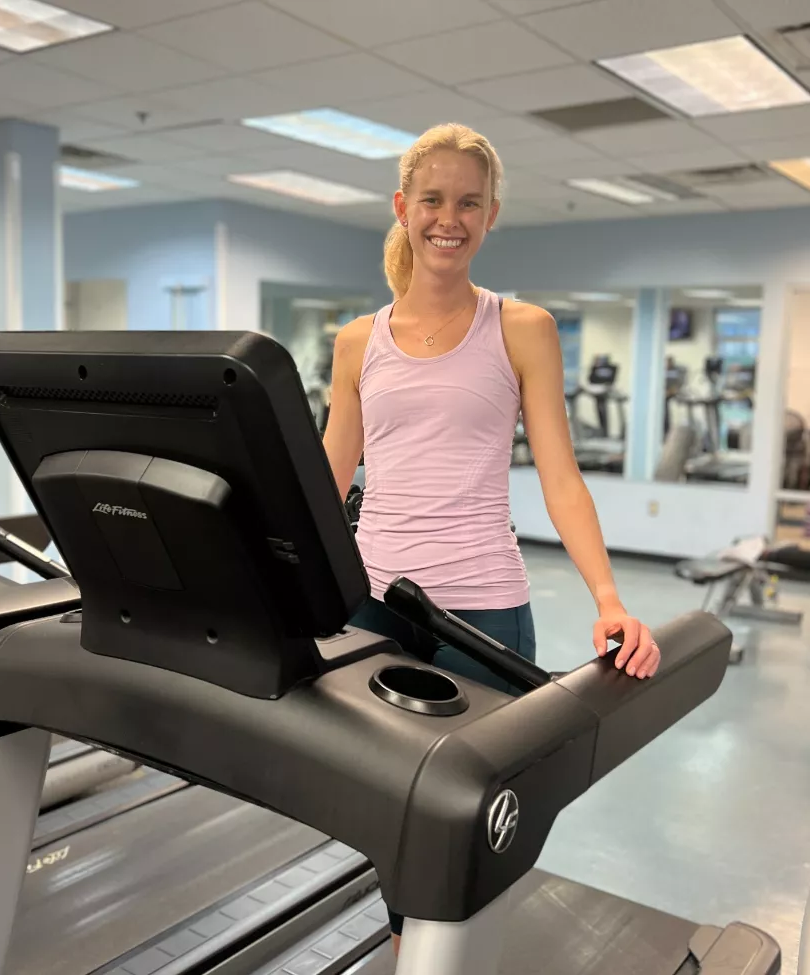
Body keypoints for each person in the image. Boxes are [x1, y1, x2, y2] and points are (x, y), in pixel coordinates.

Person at [321, 122, 660, 954]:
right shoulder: (358, 341)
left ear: (491, 215)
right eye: (431, 199)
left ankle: (455, 949)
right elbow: (329, 475)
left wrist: (609, 599)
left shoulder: (520, 327)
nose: (449, 217)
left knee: (479, 816)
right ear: (402, 208)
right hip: (371, 607)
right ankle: (409, 945)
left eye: (468, 203)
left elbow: (560, 478)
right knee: (380, 806)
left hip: (480, 609)